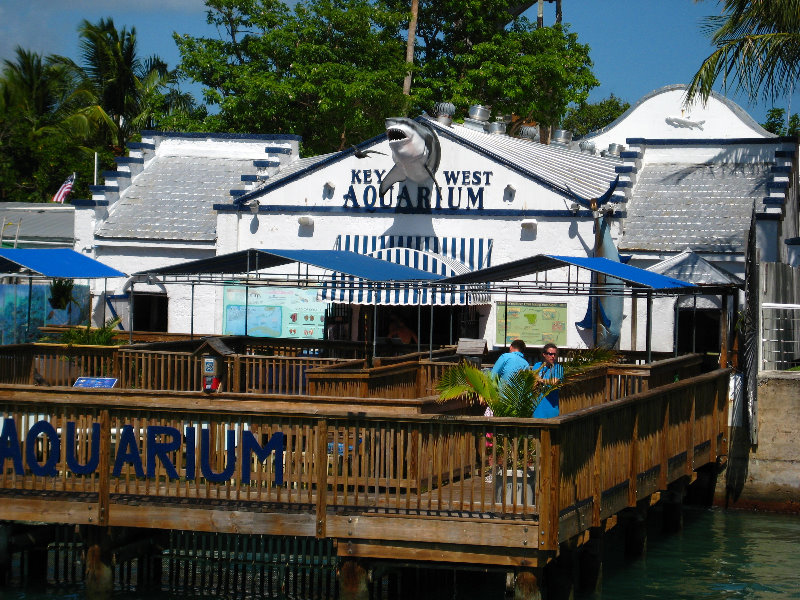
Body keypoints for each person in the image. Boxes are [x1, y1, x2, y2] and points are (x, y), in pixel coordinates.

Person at [532, 343, 564, 418]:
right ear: (544, 354)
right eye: (550, 354)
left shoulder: (558, 368)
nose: (553, 356)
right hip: (536, 410)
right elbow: (533, 381)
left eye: (555, 354)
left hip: (550, 411)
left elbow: (555, 381)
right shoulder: (537, 366)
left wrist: (541, 380)